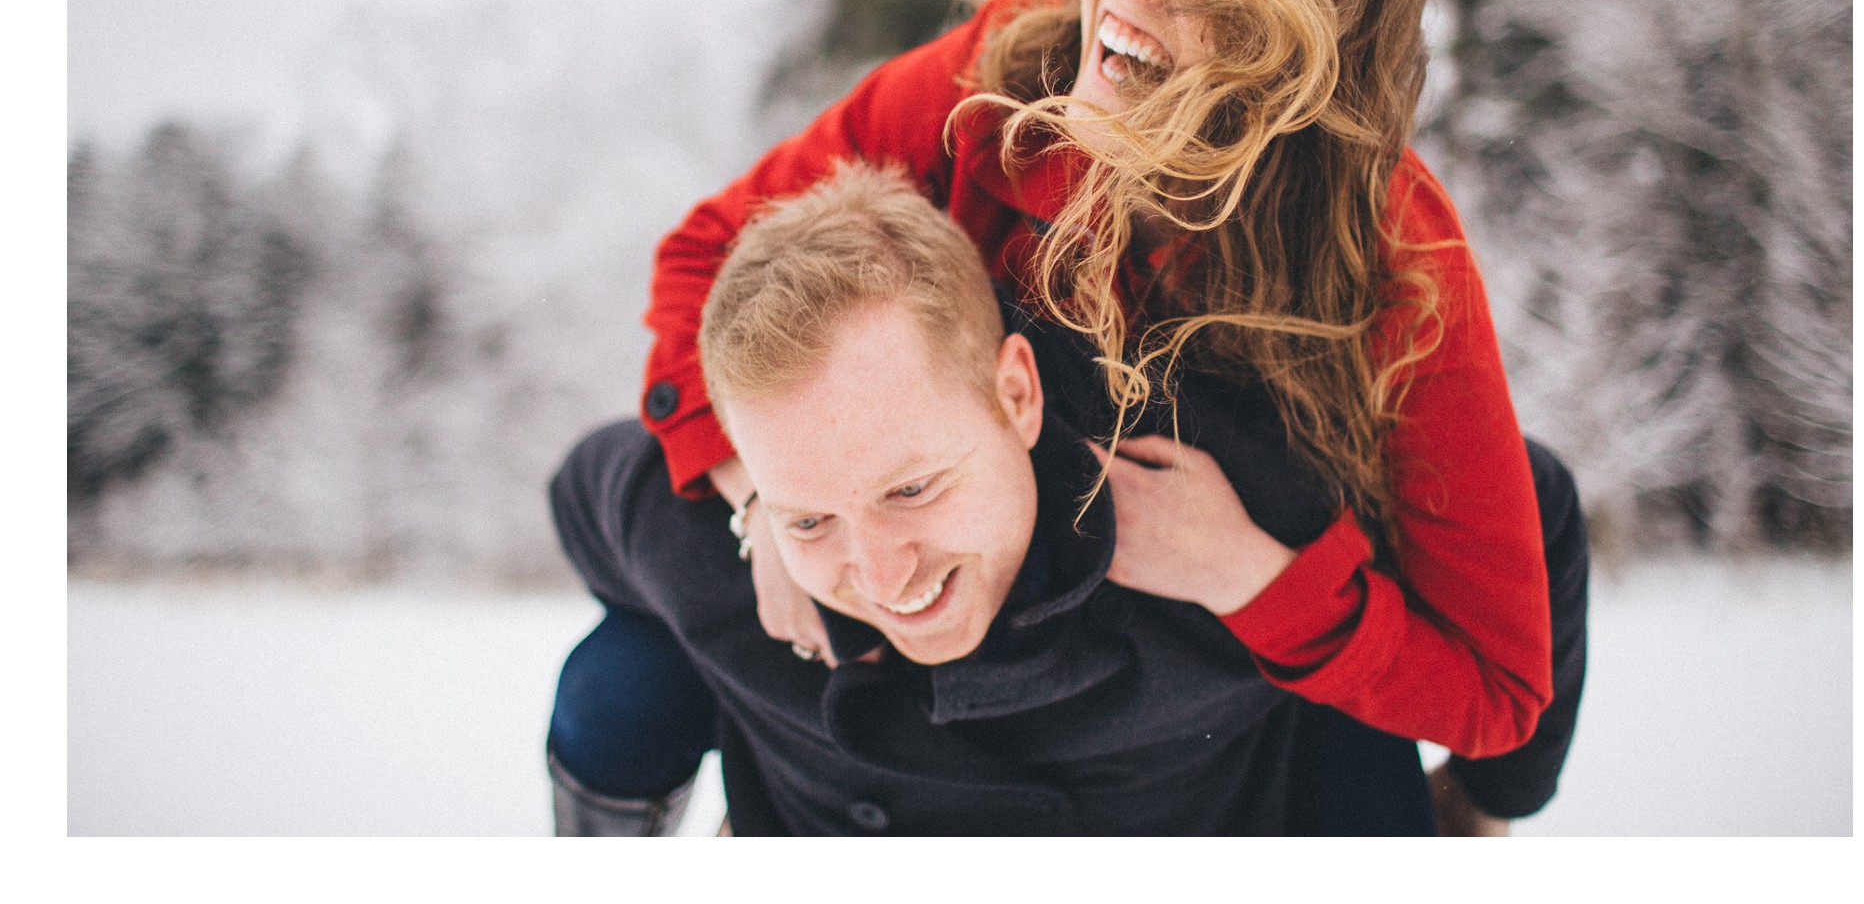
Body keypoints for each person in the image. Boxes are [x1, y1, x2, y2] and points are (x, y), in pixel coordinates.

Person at [627, 0, 1587, 829]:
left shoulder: (1395, 260)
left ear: (1307, 35)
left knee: (1536, 501)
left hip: (1261, 676)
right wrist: (769, 509)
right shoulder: (991, 83)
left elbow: (1500, 691)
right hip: (992, 620)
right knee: (630, 649)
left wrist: (1247, 573)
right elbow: (707, 261)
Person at [550, 164, 1448, 834]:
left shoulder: (1222, 508)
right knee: (621, 671)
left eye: (912, 487)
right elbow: (583, 494)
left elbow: (1538, 513)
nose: (880, 573)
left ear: (1016, 394)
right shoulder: (737, 530)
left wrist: (1486, 806)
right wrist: (757, 518)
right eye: (813, 517)